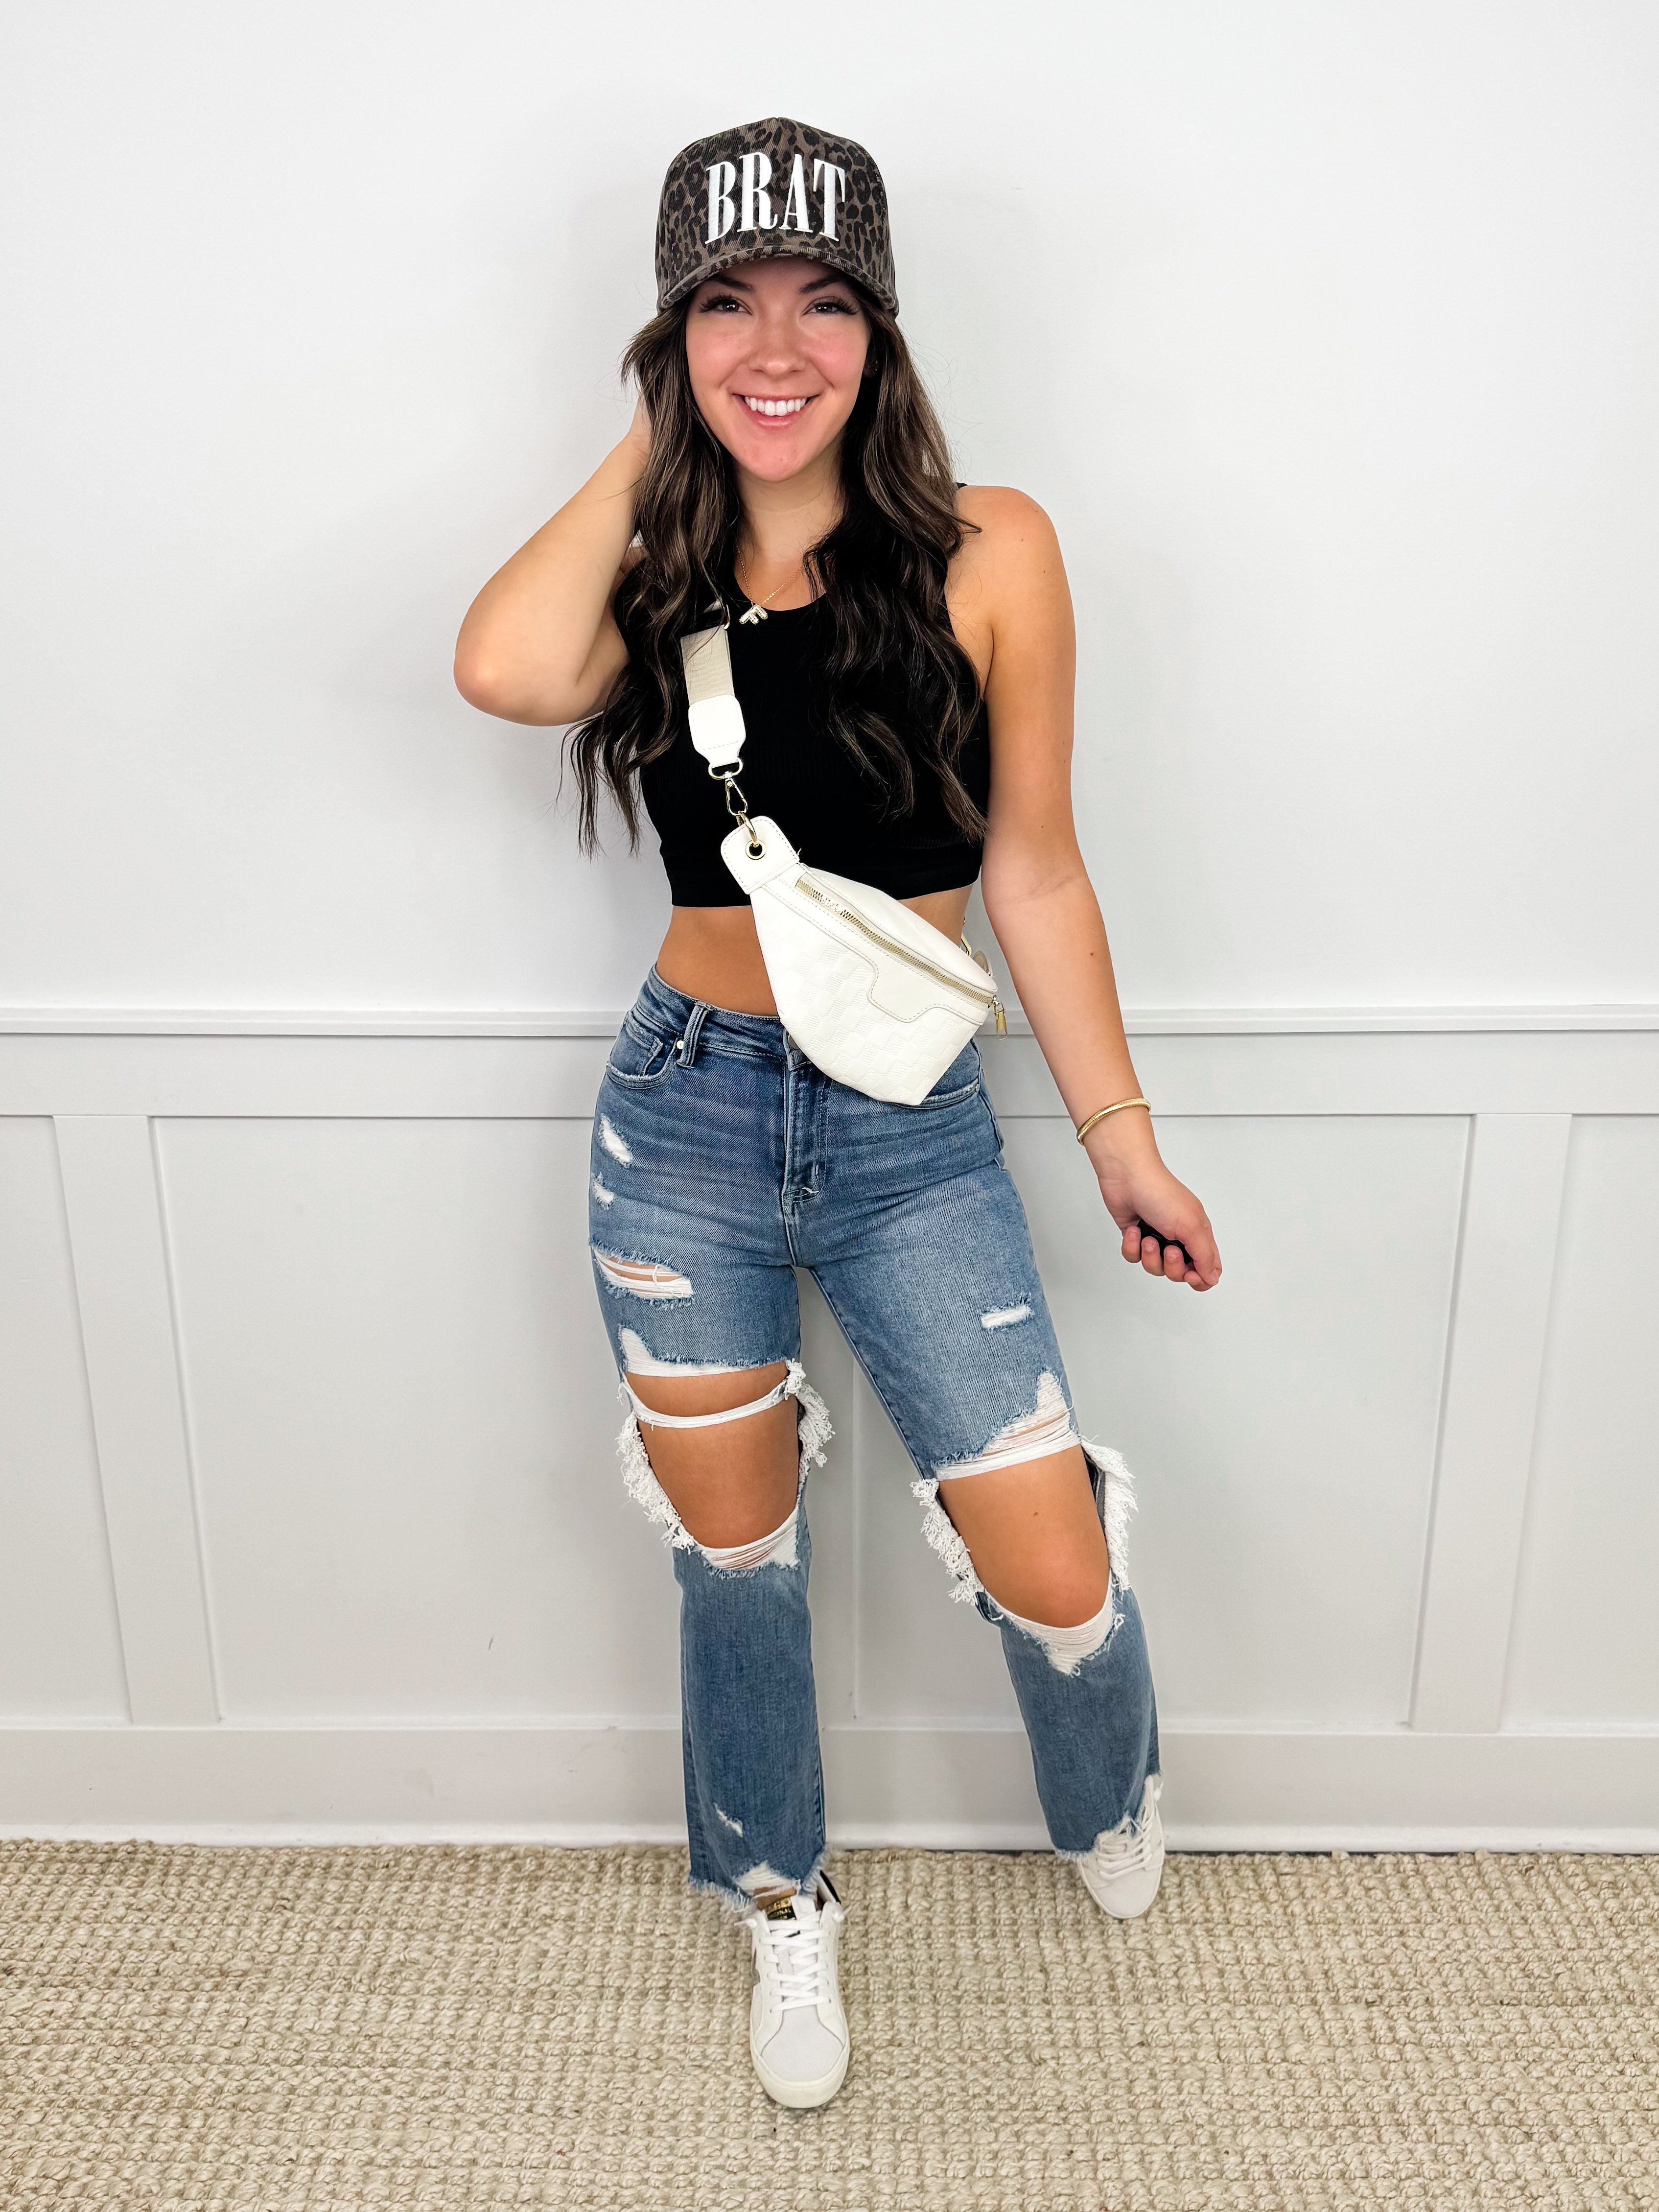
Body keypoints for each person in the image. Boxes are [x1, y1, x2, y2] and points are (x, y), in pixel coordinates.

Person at [455, 116, 1223, 2112]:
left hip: (911, 1135)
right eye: (725, 306)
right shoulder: (652, 571)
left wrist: (1120, 1136)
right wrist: (669, 428)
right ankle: (781, 1894)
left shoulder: (992, 547)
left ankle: (1108, 1787)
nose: (776, 348)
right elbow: (502, 669)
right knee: (737, 1565)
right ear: (670, 338)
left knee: (1049, 1560)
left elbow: (1034, 868)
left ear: (883, 332)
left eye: (822, 305)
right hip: (682, 1122)